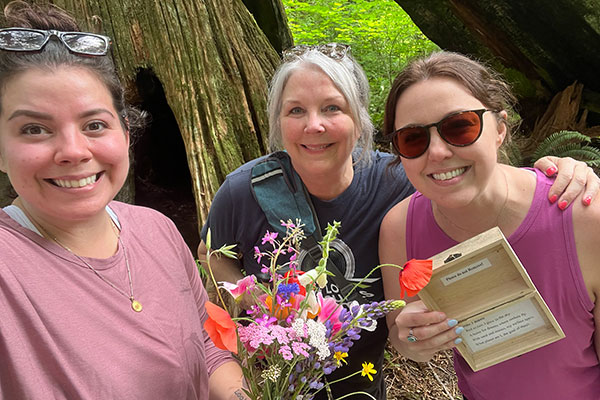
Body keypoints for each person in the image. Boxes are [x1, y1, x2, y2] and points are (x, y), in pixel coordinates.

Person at [199, 43, 599, 399]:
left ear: (360, 120)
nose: (314, 125)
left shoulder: (398, 183)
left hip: (360, 387)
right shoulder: (247, 189)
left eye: (333, 108)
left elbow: (471, 178)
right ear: (277, 122)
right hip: (270, 385)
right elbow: (210, 253)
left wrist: (564, 170)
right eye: (295, 110)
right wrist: (260, 302)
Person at [0, 2, 247, 399]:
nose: (73, 151)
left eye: (95, 124)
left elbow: (208, 345)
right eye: (34, 129)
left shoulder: (157, 230)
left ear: (126, 133)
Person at [380, 51, 600, 399]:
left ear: (499, 129)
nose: (437, 152)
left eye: (459, 127)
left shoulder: (583, 217)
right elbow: (400, 334)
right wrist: (411, 340)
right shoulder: (399, 229)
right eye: (413, 138)